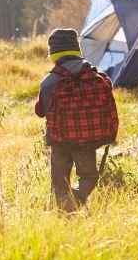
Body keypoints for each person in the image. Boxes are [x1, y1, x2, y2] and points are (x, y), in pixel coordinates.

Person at [33, 28, 117, 212]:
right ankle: (77, 199)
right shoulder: (97, 77)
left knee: (59, 181)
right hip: (87, 142)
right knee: (89, 177)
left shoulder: (50, 81)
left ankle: (65, 211)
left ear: (53, 55)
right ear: (77, 51)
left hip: (59, 141)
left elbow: (40, 112)